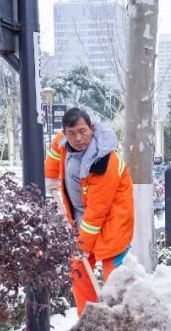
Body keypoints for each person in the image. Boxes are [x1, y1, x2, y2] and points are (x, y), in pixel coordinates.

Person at [46, 108, 134, 315]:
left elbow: (97, 211)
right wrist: (50, 175)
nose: (78, 138)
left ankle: (120, 319)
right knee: (78, 269)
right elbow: (54, 151)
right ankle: (88, 318)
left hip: (111, 223)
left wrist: (83, 245)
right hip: (81, 220)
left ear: (91, 128)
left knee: (114, 277)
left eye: (83, 131)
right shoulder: (63, 140)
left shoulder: (104, 163)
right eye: (72, 133)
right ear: (65, 133)